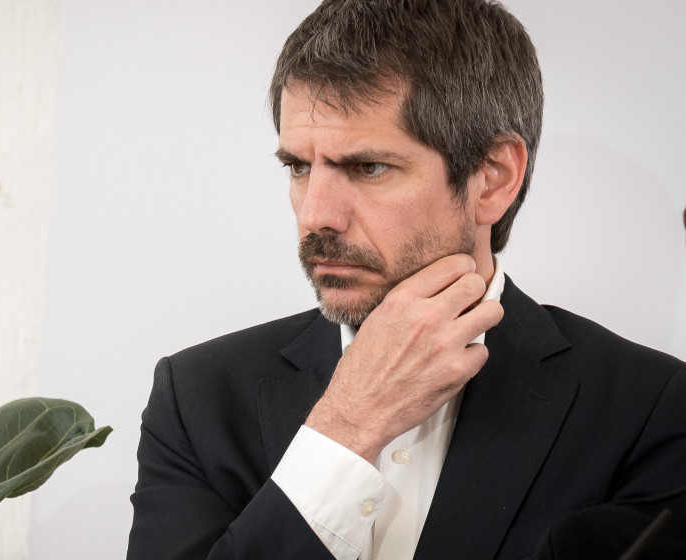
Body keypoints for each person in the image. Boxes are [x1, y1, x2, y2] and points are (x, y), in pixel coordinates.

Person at [127, 1, 686, 558]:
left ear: (493, 179)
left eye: (368, 167)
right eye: (298, 166)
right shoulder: (198, 397)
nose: (315, 214)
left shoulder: (649, 408)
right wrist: (346, 426)